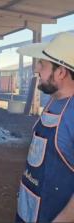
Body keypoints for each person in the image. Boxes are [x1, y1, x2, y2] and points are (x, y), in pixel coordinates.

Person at [15, 32, 74, 222]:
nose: (36, 69)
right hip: (28, 209)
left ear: (61, 72)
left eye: (42, 64)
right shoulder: (52, 102)